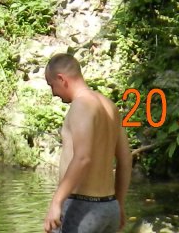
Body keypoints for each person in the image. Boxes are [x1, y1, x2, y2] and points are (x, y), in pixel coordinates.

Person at [44, 53, 132, 233]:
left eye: (51, 85)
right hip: (109, 207)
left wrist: (56, 202)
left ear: (62, 79)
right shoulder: (110, 106)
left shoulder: (81, 105)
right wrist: (119, 204)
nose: (53, 93)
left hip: (82, 208)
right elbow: (125, 160)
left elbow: (83, 157)